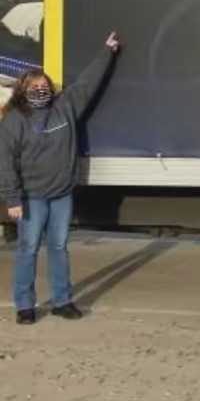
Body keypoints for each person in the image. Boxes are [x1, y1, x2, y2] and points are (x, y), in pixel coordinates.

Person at [0, 33, 120, 325]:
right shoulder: (14, 120)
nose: (41, 90)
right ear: (23, 90)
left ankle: (62, 301)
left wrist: (107, 51)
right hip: (30, 197)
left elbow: (88, 83)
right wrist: (12, 198)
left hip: (61, 194)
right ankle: (25, 306)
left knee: (58, 248)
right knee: (28, 249)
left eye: (44, 85)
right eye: (34, 86)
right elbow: (5, 161)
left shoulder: (65, 106)